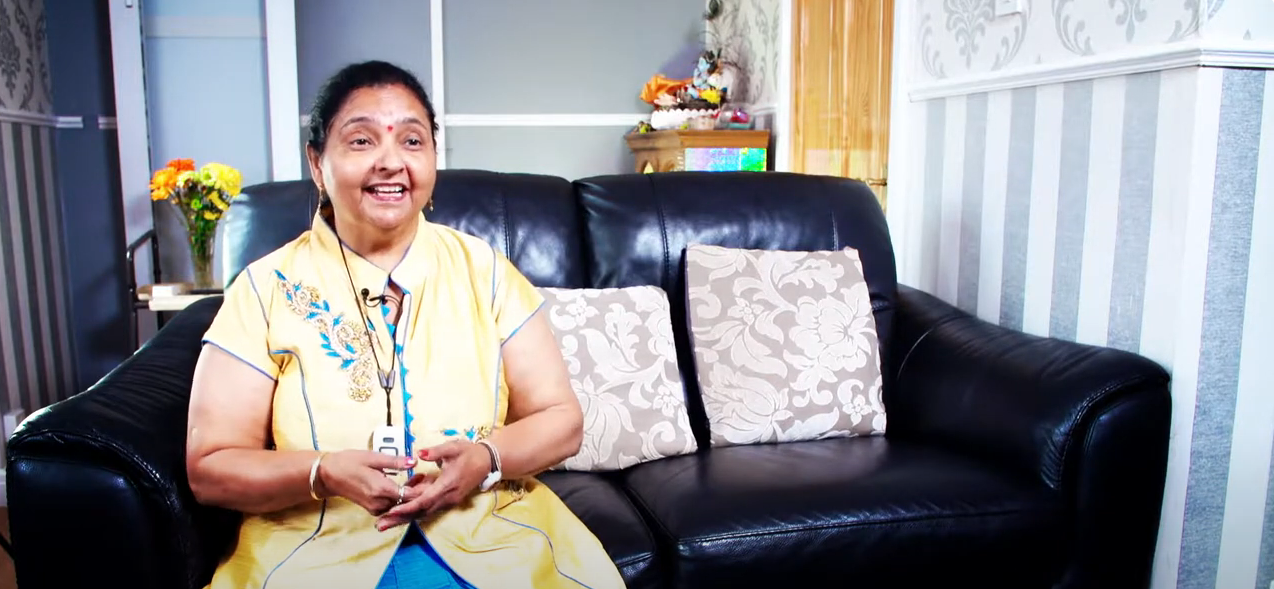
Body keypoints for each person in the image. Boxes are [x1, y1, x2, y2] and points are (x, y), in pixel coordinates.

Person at [185, 60, 626, 589]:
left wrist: (487, 459)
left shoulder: (483, 270)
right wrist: (321, 472)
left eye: (412, 141)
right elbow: (209, 467)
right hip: (317, 547)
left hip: (489, 535)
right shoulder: (265, 289)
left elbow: (562, 420)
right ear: (317, 163)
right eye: (361, 141)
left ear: (434, 159)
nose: (391, 162)